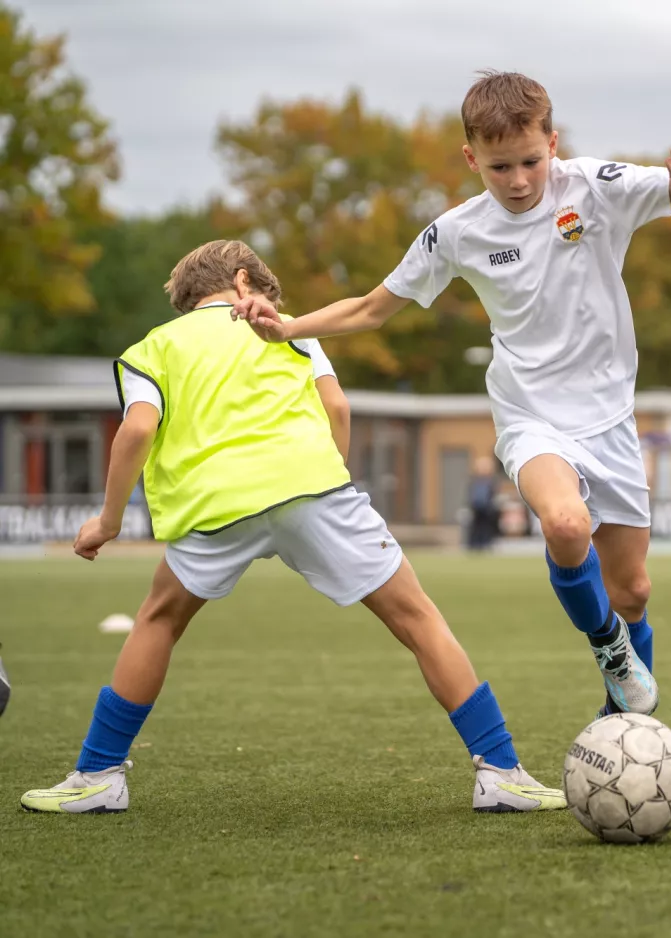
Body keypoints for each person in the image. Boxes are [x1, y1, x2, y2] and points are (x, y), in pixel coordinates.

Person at [231, 71, 671, 719]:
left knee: (631, 591)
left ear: (553, 142)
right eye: (499, 167)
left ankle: (625, 722)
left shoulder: (595, 188)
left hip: (611, 419)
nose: (517, 180)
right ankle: (609, 646)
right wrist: (288, 327)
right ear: (471, 159)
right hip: (531, 417)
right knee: (565, 524)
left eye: (530, 161)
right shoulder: (457, 233)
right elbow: (373, 307)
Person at [20, 239, 565, 815]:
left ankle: (99, 776)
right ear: (242, 281)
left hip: (216, 504)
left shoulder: (152, 348)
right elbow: (338, 409)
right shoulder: (290, 330)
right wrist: (331, 487)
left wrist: (107, 522)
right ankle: (500, 771)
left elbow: (136, 431)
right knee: (418, 618)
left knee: (158, 619)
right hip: (314, 489)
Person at [466, 456, 499, 550]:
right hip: (476, 510)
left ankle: (486, 544)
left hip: (487, 510)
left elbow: (493, 496)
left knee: (486, 529)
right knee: (475, 529)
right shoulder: (474, 482)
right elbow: (470, 495)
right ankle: (474, 545)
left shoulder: (491, 482)